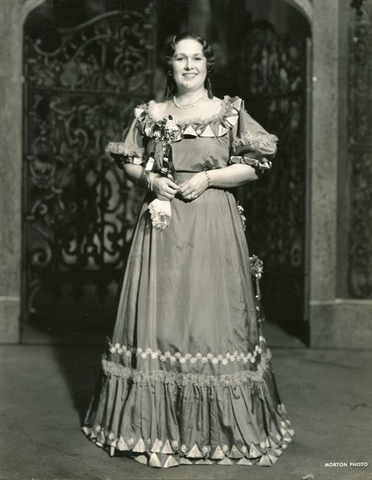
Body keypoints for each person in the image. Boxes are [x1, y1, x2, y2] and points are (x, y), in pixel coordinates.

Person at [82, 32, 294, 469]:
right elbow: (128, 158)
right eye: (181, 58)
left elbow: (254, 166)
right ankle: (152, 429)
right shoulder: (151, 113)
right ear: (170, 64)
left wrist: (210, 178)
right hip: (162, 226)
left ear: (207, 65)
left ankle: (215, 431)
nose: (189, 65)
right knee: (162, 321)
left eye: (196, 58)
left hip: (213, 223)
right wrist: (150, 180)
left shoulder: (227, 112)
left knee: (208, 319)